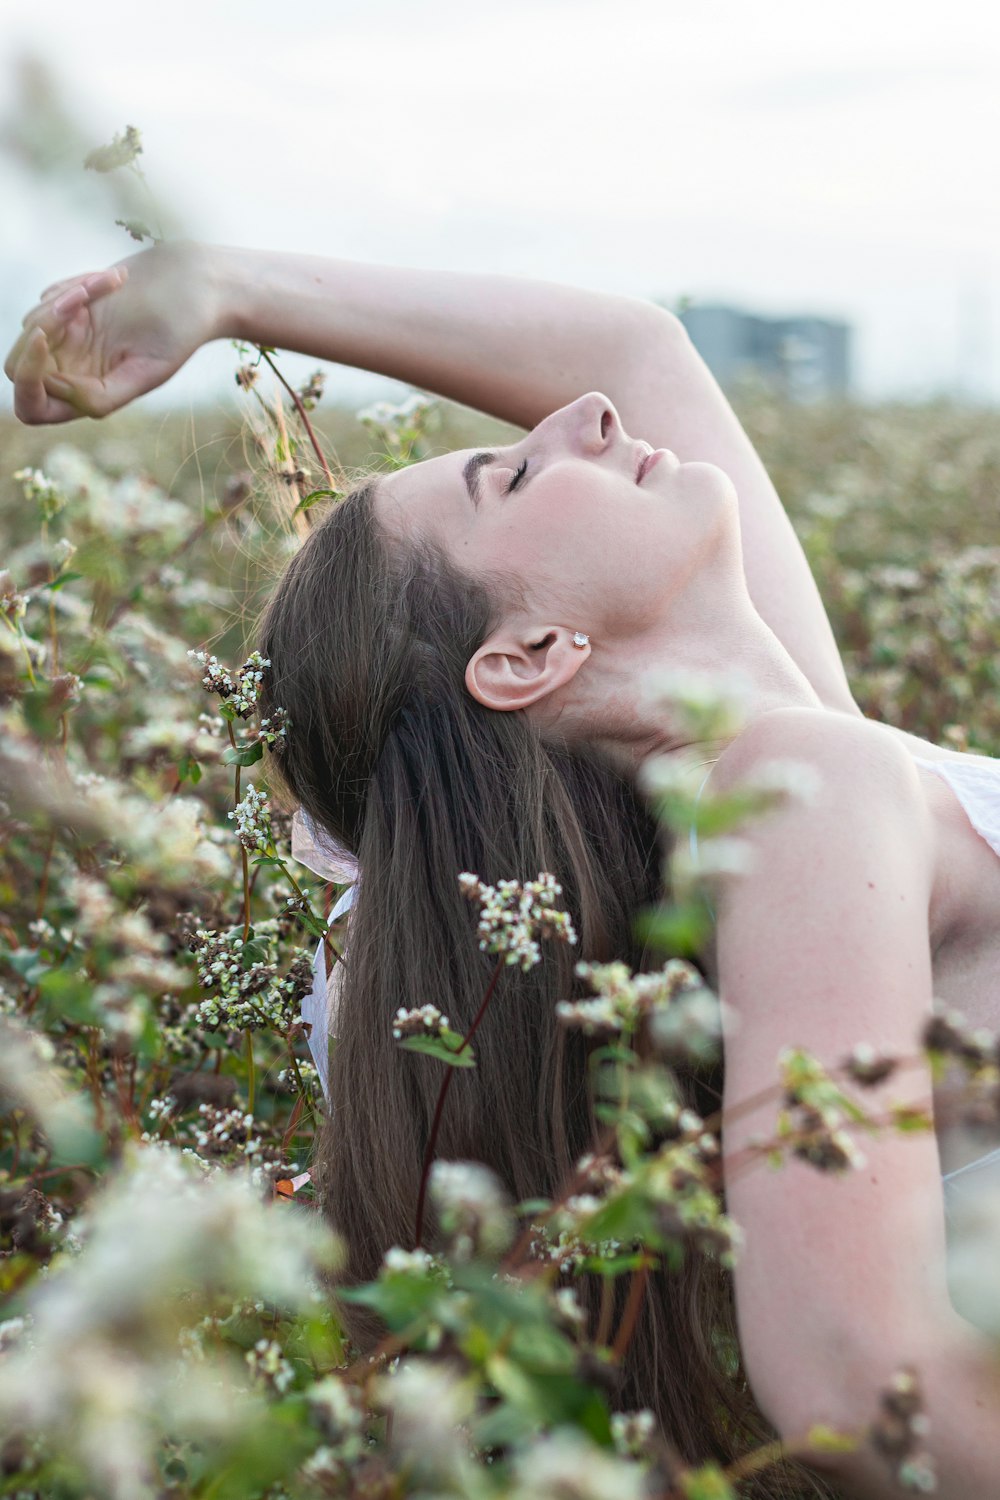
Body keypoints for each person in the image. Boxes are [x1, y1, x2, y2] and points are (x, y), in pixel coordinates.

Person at [7, 243, 1000, 1497]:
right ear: (529, 652)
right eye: (516, 475)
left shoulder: (810, 757)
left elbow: (633, 354)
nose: (583, 422)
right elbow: (852, 1380)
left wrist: (219, 286)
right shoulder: (799, 798)